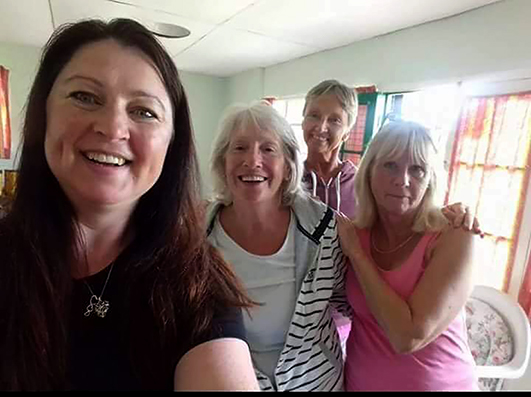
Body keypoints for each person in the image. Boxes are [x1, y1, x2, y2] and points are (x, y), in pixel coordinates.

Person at [0, 18, 259, 391]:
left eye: (144, 111)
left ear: (172, 142)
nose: (112, 127)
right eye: (85, 97)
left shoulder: (199, 290)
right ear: (44, 115)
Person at [207, 102, 350, 391]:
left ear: (287, 167)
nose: (253, 160)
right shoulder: (196, 237)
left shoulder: (326, 229)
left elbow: (352, 302)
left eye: (268, 149)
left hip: (317, 383)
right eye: (239, 148)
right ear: (223, 163)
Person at [337, 120, 479, 391]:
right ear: (369, 171)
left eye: (417, 169)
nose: (402, 180)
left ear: (430, 180)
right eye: (390, 165)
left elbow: (408, 337)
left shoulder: (455, 233)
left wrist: (357, 255)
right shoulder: (354, 233)